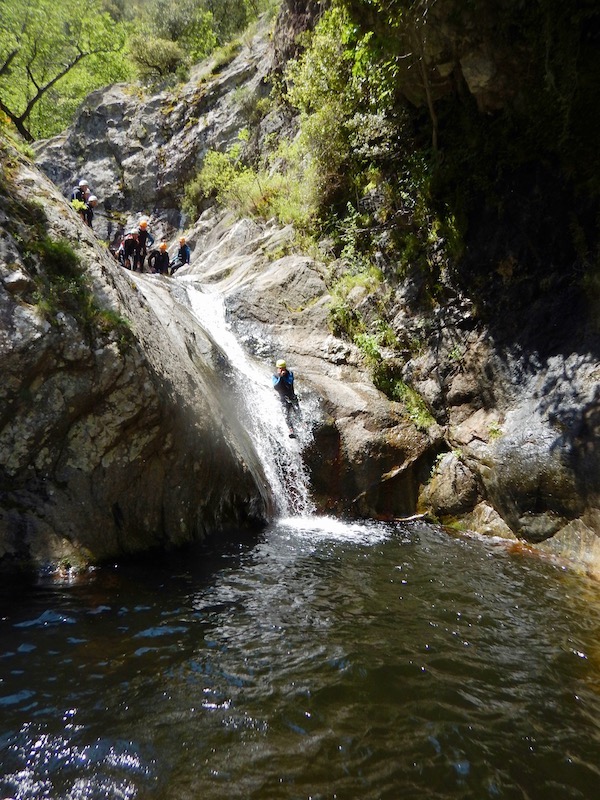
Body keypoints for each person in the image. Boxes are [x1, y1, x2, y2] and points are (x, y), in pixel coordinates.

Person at [272, 358, 300, 437]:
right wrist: (280, 377)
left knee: (297, 411)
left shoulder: (290, 373)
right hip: (283, 399)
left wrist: (283, 376)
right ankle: (291, 431)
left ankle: (303, 425)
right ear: (278, 368)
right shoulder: (275, 376)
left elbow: (289, 382)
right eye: (280, 368)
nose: (282, 370)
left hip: (292, 397)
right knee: (286, 415)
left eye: (283, 368)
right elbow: (276, 387)